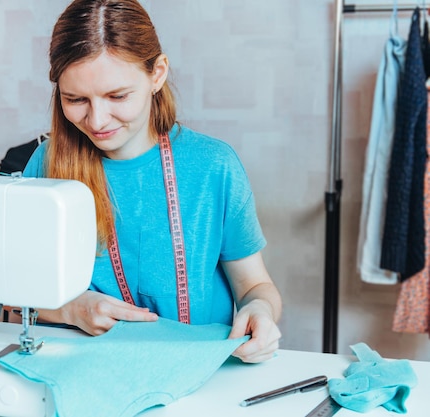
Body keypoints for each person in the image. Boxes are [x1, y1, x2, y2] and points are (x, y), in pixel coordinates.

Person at [22, 0, 282, 363]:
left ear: (157, 74)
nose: (97, 120)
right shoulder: (46, 165)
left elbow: (255, 285)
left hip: (200, 370)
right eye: (76, 99)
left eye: (117, 96)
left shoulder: (214, 167)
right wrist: (69, 309)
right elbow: (13, 290)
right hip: (85, 368)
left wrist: (262, 313)